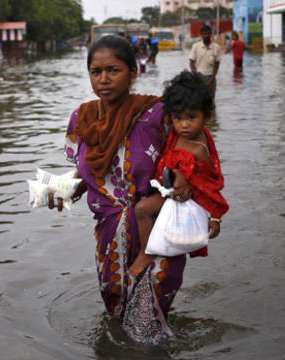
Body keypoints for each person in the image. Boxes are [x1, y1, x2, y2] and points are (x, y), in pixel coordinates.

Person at [48, 35, 194, 328]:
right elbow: (86, 172)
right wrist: (62, 190)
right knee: (114, 303)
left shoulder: (157, 114)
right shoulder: (82, 118)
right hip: (109, 230)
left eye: (113, 70)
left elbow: (192, 155)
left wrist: (184, 179)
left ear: (133, 72)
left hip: (155, 224)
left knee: (151, 314)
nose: (104, 79)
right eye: (96, 71)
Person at [128, 70, 229, 276]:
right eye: (178, 117)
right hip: (167, 190)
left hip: (182, 199)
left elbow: (209, 185)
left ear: (206, 117)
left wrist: (215, 217)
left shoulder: (198, 149)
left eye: (191, 118)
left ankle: (146, 253)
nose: (184, 124)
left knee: (142, 210)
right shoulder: (173, 133)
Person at [189, 25, 222, 100]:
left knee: (211, 101)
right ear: (201, 35)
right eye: (204, 34)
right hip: (198, 77)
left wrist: (212, 78)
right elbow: (191, 62)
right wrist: (196, 76)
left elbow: (217, 64)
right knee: (198, 100)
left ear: (211, 34)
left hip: (211, 77)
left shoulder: (216, 47)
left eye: (208, 33)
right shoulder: (196, 46)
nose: (206, 36)